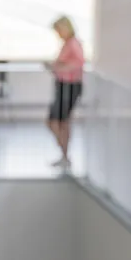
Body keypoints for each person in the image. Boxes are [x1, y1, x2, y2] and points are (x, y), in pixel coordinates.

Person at [45, 16, 85, 169]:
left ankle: (65, 154)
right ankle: (63, 153)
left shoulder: (73, 43)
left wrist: (60, 67)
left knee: (61, 121)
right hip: (62, 85)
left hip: (70, 87)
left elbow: (79, 63)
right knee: (56, 121)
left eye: (58, 30)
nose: (58, 34)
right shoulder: (67, 44)